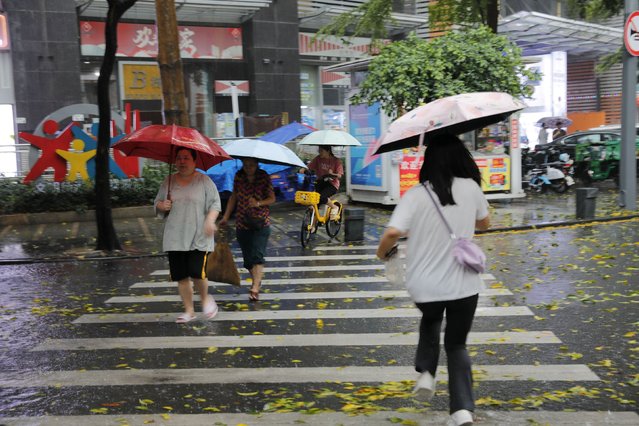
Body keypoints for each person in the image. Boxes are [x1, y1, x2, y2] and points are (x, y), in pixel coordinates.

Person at [376, 133, 490, 426]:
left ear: (428, 162)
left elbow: (392, 233)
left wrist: (381, 253)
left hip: (425, 284)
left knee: (430, 320)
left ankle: (426, 372)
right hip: (465, 283)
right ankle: (462, 410)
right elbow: (485, 222)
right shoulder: (471, 188)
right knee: (457, 344)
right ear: (459, 158)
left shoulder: (415, 194)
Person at [154, 147, 222, 324]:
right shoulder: (168, 181)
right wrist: (162, 206)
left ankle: (206, 299)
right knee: (181, 276)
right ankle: (189, 310)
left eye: (186, 158)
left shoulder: (204, 181)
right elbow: (157, 204)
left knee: (196, 272)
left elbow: (215, 204)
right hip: (175, 236)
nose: (182, 162)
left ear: (194, 161)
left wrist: (210, 220)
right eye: (178, 158)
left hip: (199, 235)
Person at [219, 157, 275, 301]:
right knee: (248, 261)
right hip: (242, 222)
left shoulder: (263, 177)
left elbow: (272, 199)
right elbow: (233, 197)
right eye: (245, 165)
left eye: (251, 165)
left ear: (257, 164)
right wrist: (225, 216)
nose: (248, 167)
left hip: (260, 222)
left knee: (257, 256)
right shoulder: (239, 176)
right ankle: (257, 279)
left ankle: (255, 287)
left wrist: (258, 203)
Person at [302, 145, 344, 218]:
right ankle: (313, 227)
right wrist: (303, 169)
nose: (319, 152)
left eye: (321, 151)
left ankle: (334, 207)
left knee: (321, 197)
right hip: (320, 183)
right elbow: (308, 166)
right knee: (314, 204)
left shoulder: (336, 161)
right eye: (319, 150)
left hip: (332, 185)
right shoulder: (318, 159)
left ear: (328, 151)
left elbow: (339, 175)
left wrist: (332, 174)